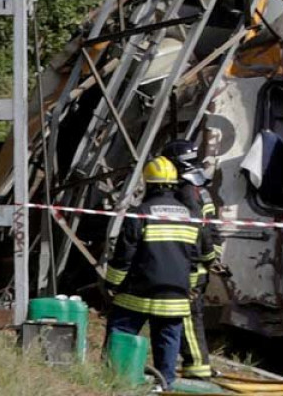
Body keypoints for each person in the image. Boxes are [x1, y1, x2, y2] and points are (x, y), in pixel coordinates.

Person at [103, 156, 208, 388]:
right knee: (168, 339)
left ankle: (114, 380)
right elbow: (193, 260)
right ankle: (164, 385)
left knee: (121, 332)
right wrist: (190, 288)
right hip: (174, 298)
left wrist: (111, 284)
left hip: (136, 296)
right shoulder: (191, 218)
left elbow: (123, 258)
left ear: (148, 184)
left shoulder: (140, 214)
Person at [161, 139, 226, 379]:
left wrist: (205, 258)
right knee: (192, 314)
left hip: (192, 264)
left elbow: (198, 229)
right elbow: (212, 229)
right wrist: (212, 257)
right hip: (201, 261)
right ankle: (198, 364)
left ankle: (197, 366)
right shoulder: (200, 187)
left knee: (188, 316)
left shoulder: (185, 191)